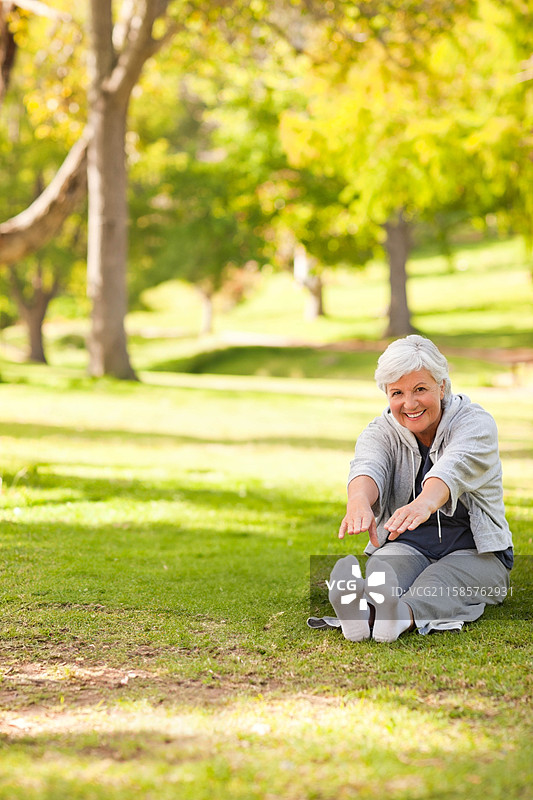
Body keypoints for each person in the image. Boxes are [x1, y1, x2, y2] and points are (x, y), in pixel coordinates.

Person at [328, 335, 513, 642]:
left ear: (442, 386)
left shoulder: (475, 423)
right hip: (408, 544)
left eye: (420, 389)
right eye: (397, 393)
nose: (409, 404)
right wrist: (358, 500)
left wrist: (425, 503)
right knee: (385, 570)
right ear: (386, 394)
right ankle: (362, 614)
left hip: (477, 552)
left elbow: (454, 466)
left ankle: (399, 618)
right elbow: (368, 466)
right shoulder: (380, 431)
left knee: (440, 581)